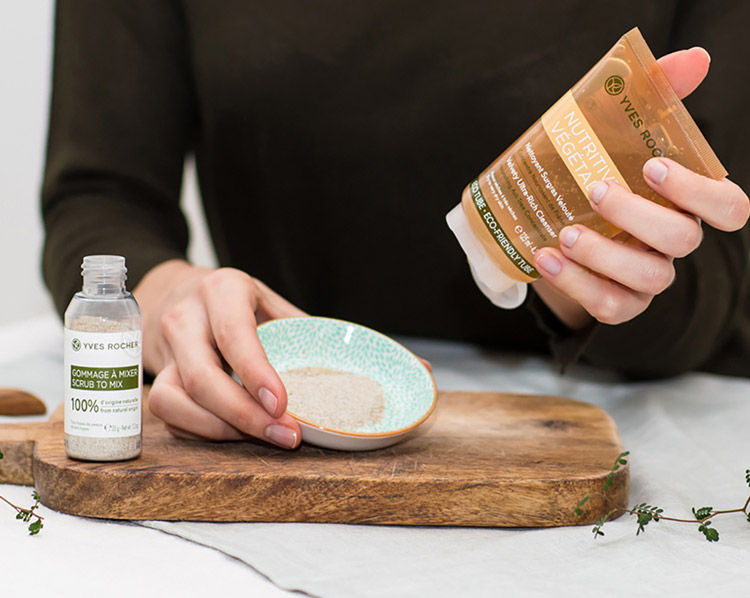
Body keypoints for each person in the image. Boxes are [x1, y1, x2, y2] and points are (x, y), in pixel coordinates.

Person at [42, 1, 750, 449]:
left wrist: (585, 270)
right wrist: (172, 304)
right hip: (268, 429)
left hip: (612, 430)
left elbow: (719, 276)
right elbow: (100, 196)